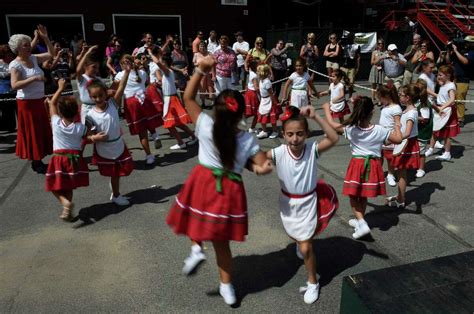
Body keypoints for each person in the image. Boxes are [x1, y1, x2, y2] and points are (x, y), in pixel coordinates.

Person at [166, 55, 273, 306]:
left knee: (193, 218)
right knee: (222, 244)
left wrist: (201, 70)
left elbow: (188, 98)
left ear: (216, 109)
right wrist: (263, 167)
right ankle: (227, 287)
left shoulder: (204, 124)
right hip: (229, 189)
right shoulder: (246, 139)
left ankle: (195, 249)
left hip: (203, 179)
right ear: (241, 115)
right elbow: (261, 164)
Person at [266, 105, 338, 304]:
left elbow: (333, 138)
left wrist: (316, 115)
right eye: (290, 134)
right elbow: (256, 161)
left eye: (299, 134)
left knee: (306, 248)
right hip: (288, 204)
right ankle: (302, 244)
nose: (294, 139)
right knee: (298, 238)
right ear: (283, 134)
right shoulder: (279, 152)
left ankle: (313, 282)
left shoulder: (312, 149)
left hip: (308, 203)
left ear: (306, 134)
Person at [322, 97, 402, 239]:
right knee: (363, 194)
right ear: (372, 111)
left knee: (353, 195)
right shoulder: (380, 130)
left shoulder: (351, 129)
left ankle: (361, 221)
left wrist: (326, 109)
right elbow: (398, 139)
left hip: (357, 164)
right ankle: (361, 221)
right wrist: (397, 124)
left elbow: (332, 124)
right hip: (374, 165)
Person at [85, 62, 134, 206]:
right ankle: (116, 195)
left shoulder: (113, 104)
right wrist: (94, 137)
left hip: (118, 144)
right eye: (95, 97)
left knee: (125, 170)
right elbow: (84, 136)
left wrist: (126, 72)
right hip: (105, 148)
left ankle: (115, 190)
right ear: (90, 97)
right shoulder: (90, 115)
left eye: (101, 95)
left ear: (106, 93)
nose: (98, 99)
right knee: (115, 174)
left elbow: (121, 87)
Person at [9, 25, 54, 174]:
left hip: (39, 101)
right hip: (27, 103)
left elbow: (51, 54)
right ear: (18, 48)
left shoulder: (33, 58)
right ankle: (36, 162)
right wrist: (34, 78)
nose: (29, 47)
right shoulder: (15, 64)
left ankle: (39, 159)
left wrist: (45, 37)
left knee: (41, 130)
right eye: (26, 45)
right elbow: (14, 85)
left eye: (29, 44)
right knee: (33, 132)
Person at [45, 78, 89, 221]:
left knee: (52, 184)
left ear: (60, 112)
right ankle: (67, 209)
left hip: (59, 158)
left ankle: (65, 203)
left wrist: (60, 88)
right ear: (76, 112)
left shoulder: (56, 123)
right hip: (74, 159)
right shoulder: (80, 128)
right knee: (68, 186)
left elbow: (52, 103)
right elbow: (89, 134)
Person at [114, 54, 162, 165]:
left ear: (122, 65)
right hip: (144, 99)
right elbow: (146, 81)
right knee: (148, 121)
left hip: (132, 102)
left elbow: (114, 88)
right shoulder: (142, 73)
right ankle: (155, 135)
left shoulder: (120, 75)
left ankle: (149, 155)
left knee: (141, 131)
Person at [148, 48, 197, 150]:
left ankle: (181, 142)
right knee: (177, 123)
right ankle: (193, 136)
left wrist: (150, 53)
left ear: (165, 63)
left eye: (162, 60)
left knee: (169, 123)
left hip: (170, 99)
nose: (160, 61)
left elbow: (157, 62)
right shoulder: (167, 72)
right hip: (169, 98)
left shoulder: (167, 71)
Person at [386, 84, 420, 209]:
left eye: (401, 95)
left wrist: (391, 141)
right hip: (404, 143)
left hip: (407, 144)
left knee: (401, 173)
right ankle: (400, 196)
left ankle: (401, 199)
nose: (399, 96)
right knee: (401, 173)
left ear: (408, 97)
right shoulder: (408, 110)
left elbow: (407, 132)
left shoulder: (411, 113)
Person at [425, 65, 460, 161]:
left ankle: (447, 153)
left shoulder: (451, 86)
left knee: (446, 133)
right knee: (435, 130)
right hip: (440, 109)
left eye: (441, 75)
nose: (439, 77)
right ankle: (431, 149)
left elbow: (452, 99)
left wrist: (442, 108)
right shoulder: (443, 83)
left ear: (448, 75)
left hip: (447, 110)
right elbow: (439, 83)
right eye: (438, 75)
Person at [442, 36, 474, 127]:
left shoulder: (472, 52)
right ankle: (451, 117)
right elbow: (448, 61)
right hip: (453, 79)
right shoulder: (460, 51)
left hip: (463, 79)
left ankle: (460, 119)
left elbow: (465, 62)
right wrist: (449, 51)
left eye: (468, 42)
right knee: (451, 99)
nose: (466, 44)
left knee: (459, 100)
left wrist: (456, 51)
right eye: (465, 42)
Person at [377, 83, 402, 187]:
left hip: (390, 137)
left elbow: (398, 124)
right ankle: (378, 174)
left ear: (387, 96)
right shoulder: (385, 106)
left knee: (390, 158)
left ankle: (390, 174)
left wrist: (394, 137)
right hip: (381, 136)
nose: (380, 100)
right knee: (379, 156)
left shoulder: (396, 108)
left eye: (380, 98)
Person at [76, 45, 101, 125]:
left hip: (98, 107)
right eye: (94, 67)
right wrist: (87, 53)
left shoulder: (99, 79)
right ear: (85, 66)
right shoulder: (83, 78)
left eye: (97, 68)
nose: (96, 70)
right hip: (87, 109)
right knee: (88, 132)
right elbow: (78, 70)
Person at [414, 79, 433, 178]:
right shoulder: (418, 100)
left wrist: (412, 116)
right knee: (416, 149)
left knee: (421, 151)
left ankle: (421, 168)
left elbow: (425, 119)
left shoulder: (424, 103)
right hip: (417, 130)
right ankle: (415, 164)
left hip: (422, 131)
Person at [256, 64, 280, 139]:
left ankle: (275, 131)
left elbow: (271, 94)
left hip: (269, 100)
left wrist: (274, 103)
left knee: (272, 118)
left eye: (259, 72)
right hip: (263, 100)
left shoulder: (267, 82)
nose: (258, 73)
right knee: (262, 115)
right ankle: (264, 131)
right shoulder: (261, 80)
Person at [193, 41, 215, 108]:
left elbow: (213, 65)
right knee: (202, 89)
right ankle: (203, 103)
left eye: (203, 46)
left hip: (209, 74)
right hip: (200, 74)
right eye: (200, 46)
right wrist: (197, 64)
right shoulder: (196, 54)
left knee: (210, 88)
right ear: (198, 47)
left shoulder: (209, 54)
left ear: (205, 47)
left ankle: (212, 103)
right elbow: (194, 63)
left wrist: (214, 75)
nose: (202, 47)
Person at [340, 33, 360, 97]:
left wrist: (357, 67)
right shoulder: (343, 45)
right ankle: (342, 96)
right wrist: (342, 40)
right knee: (342, 82)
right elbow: (337, 45)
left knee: (351, 83)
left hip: (352, 66)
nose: (350, 39)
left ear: (353, 38)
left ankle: (350, 96)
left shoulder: (357, 46)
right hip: (343, 66)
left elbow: (358, 57)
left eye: (351, 37)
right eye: (349, 38)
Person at [244, 60, 259, 133]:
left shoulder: (251, 73)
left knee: (252, 112)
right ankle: (252, 128)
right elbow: (256, 87)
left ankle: (252, 127)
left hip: (249, 93)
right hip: (253, 94)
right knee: (256, 113)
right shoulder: (254, 75)